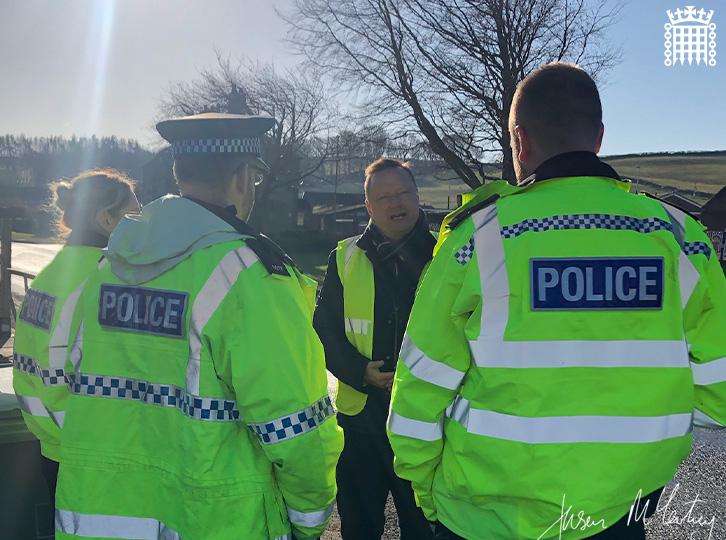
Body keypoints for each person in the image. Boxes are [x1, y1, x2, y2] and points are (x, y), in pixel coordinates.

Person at [387, 61, 726, 540]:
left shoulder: (477, 240)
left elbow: (418, 393)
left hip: (483, 521)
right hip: (617, 515)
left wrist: (427, 493)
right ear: (599, 137)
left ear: (520, 142)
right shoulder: (677, 238)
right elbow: (718, 395)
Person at [53, 113, 343, 540]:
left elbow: (69, 377)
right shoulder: (249, 275)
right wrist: (308, 519)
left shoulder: (107, 267)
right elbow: (295, 426)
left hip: (102, 512)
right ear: (244, 177)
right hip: (217, 520)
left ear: (177, 171)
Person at [314, 158, 435, 540]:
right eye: (383, 197)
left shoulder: (448, 256)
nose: (395, 203)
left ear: (417, 197)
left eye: (403, 193)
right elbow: (324, 328)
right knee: (359, 527)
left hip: (426, 421)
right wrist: (358, 370)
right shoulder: (345, 257)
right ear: (368, 206)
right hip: (360, 423)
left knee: (423, 528)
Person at [12, 168, 141, 500]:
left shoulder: (50, 275)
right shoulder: (107, 280)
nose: (143, 225)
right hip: (96, 460)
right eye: (134, 215)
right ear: (106, 220)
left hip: (53, 450)